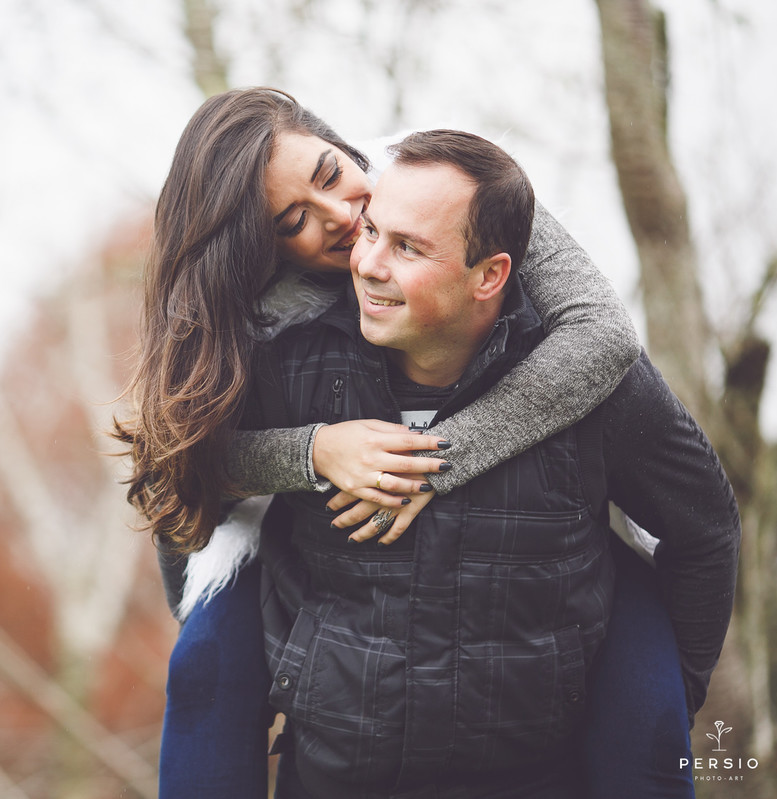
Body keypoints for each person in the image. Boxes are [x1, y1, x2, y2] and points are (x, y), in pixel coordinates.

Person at [112, 88, 672, 797]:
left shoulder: (441, 190)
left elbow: (604, 333)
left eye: (328, 175)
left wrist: (441, 459)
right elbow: (178, 462)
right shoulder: (254, 310)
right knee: (202, 673)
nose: (344, 217)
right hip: (284, 554)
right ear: (263, 252)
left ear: (341, 143)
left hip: (547, 529)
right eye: (295, 222)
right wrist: (313, 452)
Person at [243, 129, 739, 797]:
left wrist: (668, 695)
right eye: (372, 235)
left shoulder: (594, 383)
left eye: (408, 248)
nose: (365, 259)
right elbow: (181, 473)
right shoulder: (292, 362)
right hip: (332, 776)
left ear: (492, 275)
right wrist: (307, 451)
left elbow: (704, 529)